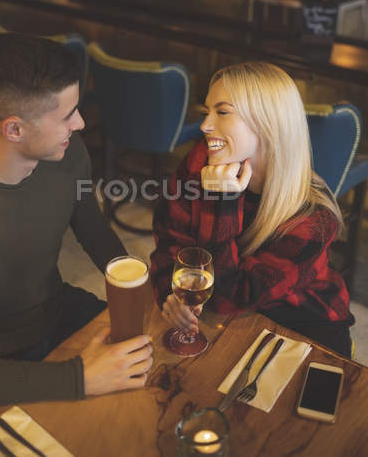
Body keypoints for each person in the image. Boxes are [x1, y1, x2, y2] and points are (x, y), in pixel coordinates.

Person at [0, 33, 152, 427]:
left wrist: (143, 292)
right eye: (67, 115)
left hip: (59, 314)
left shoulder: (68, 153)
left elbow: (92, 229)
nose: (81, 122)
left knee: (149, 390)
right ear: (14, 130)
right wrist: (81, 378)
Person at [151, 62, 354, 357]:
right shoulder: (200, 160)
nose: (206, 125)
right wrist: (168, 293)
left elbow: (233, 295)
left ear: (268, 123)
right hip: (229, 317)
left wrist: (225, 201)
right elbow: (168, 237)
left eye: (222, 112)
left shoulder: (314, 217)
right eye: (207, 112)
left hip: (304, 324)